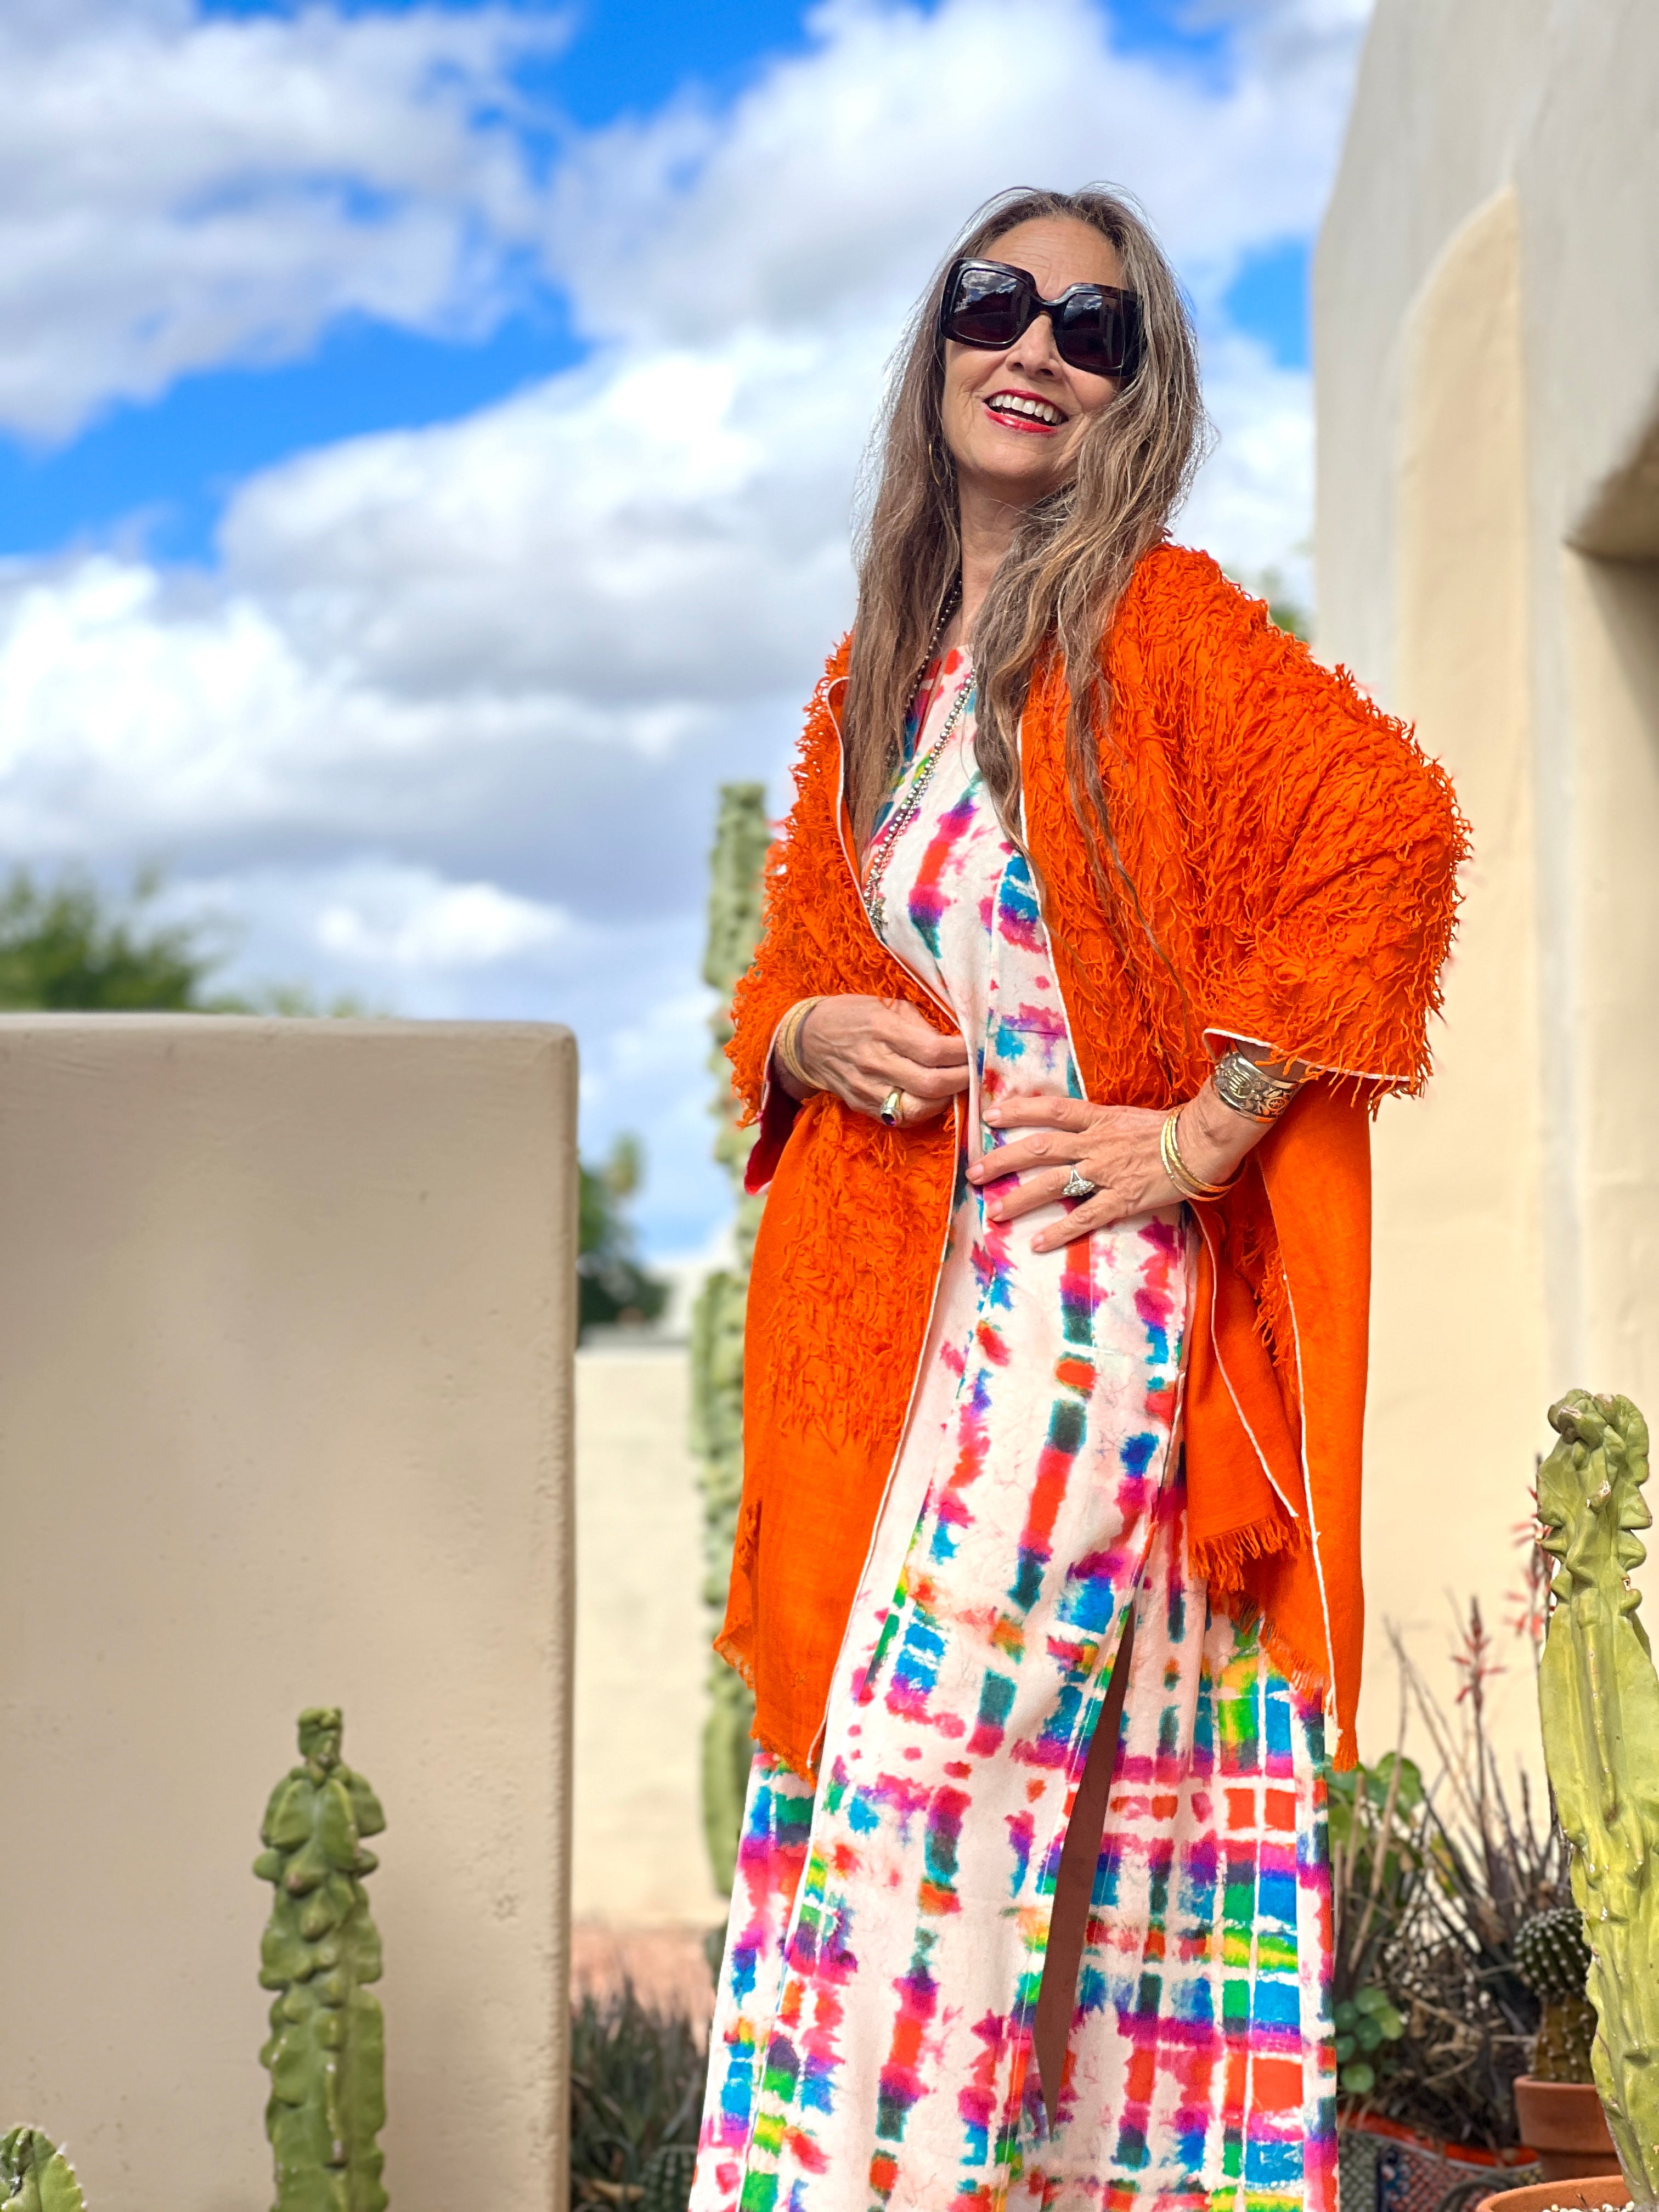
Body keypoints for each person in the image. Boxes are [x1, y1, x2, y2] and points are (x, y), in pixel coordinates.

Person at [690, 186, 1465, 2212]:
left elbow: (1390, 835)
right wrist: (807, 1041)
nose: (1033, 346)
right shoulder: (889, 674)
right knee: (963, 1838)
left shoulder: (1156, 628)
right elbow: (789, 958)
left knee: (916, 1839)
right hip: (910, 1335)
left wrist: (1199, 1138)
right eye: (996, 304)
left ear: (1140, 391)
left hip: (1067, 1317)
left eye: (1091, 329)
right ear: (940, 343)